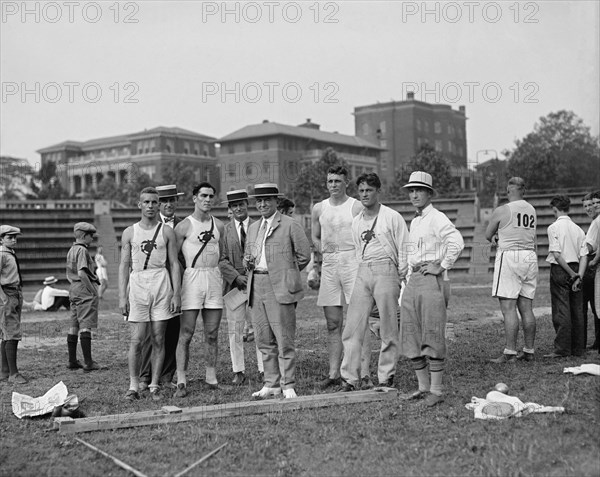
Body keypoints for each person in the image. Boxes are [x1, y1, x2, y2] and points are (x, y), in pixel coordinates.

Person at [400, 172, 465, 406]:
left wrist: (441, 266)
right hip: (414, 278)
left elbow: (457, 242)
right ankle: (422, 387)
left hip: (430, 279)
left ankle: (436, 391)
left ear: (429, 193)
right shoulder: (415, 220)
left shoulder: (437, 217)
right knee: (410, 333)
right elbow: (411, 253)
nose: (414, 194)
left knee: (433, 332)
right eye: (411, 190)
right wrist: (407, 279)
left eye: (419, 190)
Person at [340, 172, 409, 391]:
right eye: (361, 191)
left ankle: (386, 376)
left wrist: (400, 276)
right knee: (353, 326)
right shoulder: (357, 221)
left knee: (388, 326)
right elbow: (358, 250)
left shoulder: (392, 216)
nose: (364, 195)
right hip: (364, 269)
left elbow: (405, 247)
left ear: (378, 191)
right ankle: (349, 378)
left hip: (387, 269)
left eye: (369, 190)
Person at [244, 183, 311, 399]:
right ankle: (271, 383)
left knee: (283, 338)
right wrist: (249, 262)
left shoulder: (290, 225)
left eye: (267, 200)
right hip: (257, 284)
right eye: (259, 201)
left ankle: (287, 383)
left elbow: (304, 255)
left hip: (279, 286)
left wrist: (286, 273)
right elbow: (249, 254)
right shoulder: (253, 228)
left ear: (276, 201)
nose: (262, 204)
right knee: (263, 339)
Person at [119, 187, 181, 401]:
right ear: (139, 205)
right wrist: (121, 296)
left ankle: (154, 383)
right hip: (138, 283)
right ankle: (134, 384)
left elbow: (174, 263)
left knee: (158, 337)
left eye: (154, 202)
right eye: (146, 202)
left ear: (159, 204)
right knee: (136, 339)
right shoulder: (129, 232)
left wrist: (176, 294)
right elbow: (123, 265)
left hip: (161, 282)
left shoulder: (166, 231)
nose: (150, 206)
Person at [311, 165, 370, 390]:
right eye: (330, 181)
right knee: (333, 323)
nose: (333, 185)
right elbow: (315, 236)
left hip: (352, 263)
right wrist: (322, 250)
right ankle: (334, 373)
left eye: (337, 181)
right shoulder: (319, 208)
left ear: (346, 182)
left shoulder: (355, 206)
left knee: (358, 323)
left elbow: (366, 234)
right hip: (330, 265)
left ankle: (363, 374)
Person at [174, 182, 224, 397]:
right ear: (194, 198)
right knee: (186, 333)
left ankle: (211, 377)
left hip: (212, 277)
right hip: (191, 278)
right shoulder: (184, 226)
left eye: (211, 196)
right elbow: (174, 260)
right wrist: (176, 290)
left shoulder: (220, 225)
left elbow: (222, 255)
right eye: (203, 196)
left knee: (212, 333)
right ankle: (181, 380)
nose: (207, 200)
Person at [486, 177, 538, 363]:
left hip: (510, 255)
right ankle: (529, 350)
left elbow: (487, 234)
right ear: (524, 191)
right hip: (530, 256)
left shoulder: (502, 209)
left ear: (509, 191)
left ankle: (510, 352)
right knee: (526, 307)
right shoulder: (532, 209)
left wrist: (496, 238)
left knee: (508, 307)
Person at [138, 184, 184, 391]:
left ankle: (167, 375)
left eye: (171, 200)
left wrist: (178, 288)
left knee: (174, 330)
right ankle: (145, 375)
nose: (168, 204)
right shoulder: (148, 226)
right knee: (151, 333)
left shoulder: (184, 225)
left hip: (177, 284)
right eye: (164, 201)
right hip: (152, 284)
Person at [219, 189, 264, 386]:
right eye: (234, 205)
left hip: (258, 283)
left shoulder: (259, 226)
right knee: (235, 329)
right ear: (230, 208)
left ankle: (265, 369)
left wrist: (252, 275)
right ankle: (238, 370)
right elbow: (221, 260)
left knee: (261, 328)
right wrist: (237, 277)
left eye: (241, 204)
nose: (238, 208)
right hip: (235, 285)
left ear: (247, 204)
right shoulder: (225, 230)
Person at [544, 195, 588, 358]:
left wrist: (571, 274)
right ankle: (578, 348)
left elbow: (556, 254)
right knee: (577, 309)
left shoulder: (553, 227)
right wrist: (579, 276)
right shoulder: (577, 229)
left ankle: (562, 348)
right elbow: (584, 255)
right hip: (577, 267)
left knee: (561, 309)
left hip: (562, 269)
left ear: (555, 209)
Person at [66, 222, 103, 372]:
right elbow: (82, 273)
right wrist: (92, 291)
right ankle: (88, 362)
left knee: (73, 325)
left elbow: (70, 273)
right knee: (85, 325)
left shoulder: (71, 249)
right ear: (83, 236)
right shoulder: (82, 250)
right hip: (83, 288)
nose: (92, 238)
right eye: (90, 235)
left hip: (73, 287)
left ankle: (72, 360)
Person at [0, 225, 27, 384]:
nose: (14, 240)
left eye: (15, 237)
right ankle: (13, 374)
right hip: (7, 293)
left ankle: (4, 371)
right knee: (12, 333)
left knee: (7, 333)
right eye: (10, 237)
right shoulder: (2, 254)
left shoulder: (9, 253)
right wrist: (3, 297)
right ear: (1, 239)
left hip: (15, 292)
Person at [581, 192, 599, 349]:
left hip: (592, 265)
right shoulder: (594, 222)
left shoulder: (596, 223)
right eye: (585, 206)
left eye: (591, 205)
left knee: (593, 305)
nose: (589, 208)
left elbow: (589, 247)